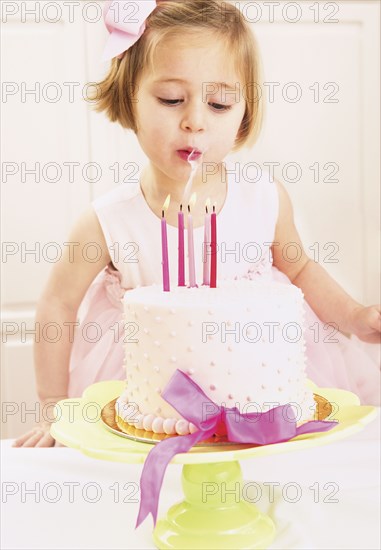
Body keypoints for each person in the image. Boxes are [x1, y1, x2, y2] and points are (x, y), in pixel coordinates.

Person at [13, 0, 380, 447]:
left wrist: (356, 317)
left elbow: (301, 269)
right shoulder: (107, 221)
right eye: (171, 99)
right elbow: (58, 306)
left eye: (220, 103)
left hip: (256, 387)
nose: (195, 122)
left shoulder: (263, 198)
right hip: (149, 402)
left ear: (245, 111)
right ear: (129, 97)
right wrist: (53, 404)